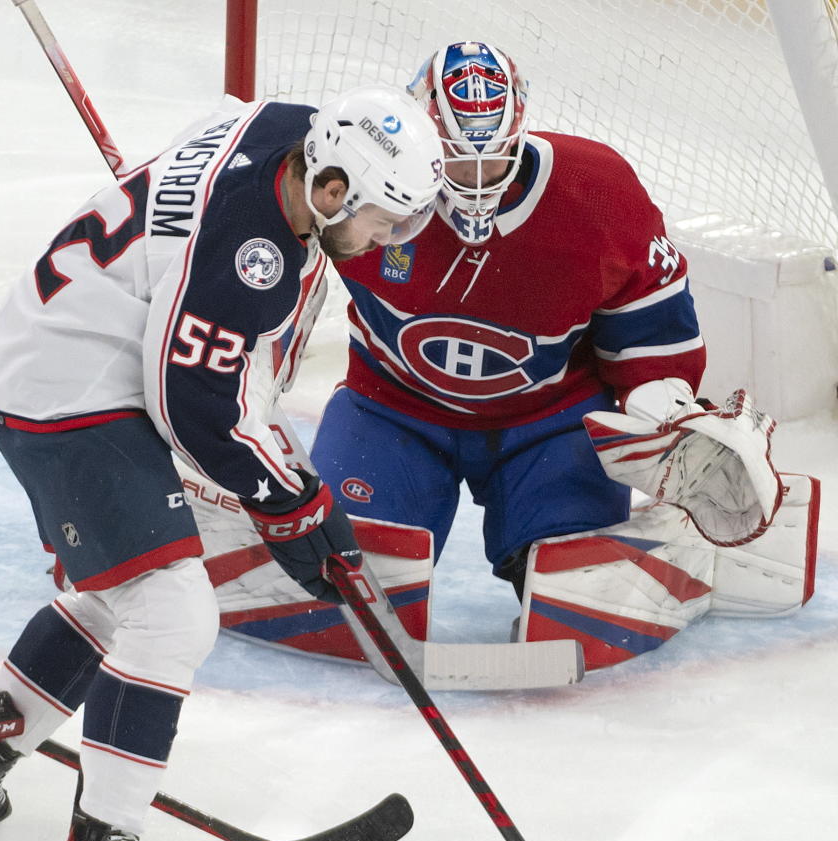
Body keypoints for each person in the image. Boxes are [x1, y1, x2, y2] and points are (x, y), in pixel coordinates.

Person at [0, 85, 443, 841]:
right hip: (67, 394)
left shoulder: (290, 131)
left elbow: (218, 127)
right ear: (331, 187)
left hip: (63, 349)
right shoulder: (250, 252)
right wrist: (296, 512)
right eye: (385, 221)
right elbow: (194, 405)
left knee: (123, 590)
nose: (389, 243)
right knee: (174, 609)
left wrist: (292, 492)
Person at [310, 41, 817, 669]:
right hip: (392, 408)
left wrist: (669, 412)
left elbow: (651, 333)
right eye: (452, 164)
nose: (471, 185)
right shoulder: (361, 173)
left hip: (548, 423)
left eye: (490, 164)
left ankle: (675, 549)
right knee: (347, 576)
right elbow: (277, 281)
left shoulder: (596, 191)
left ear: (520, 133)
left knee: (573, 592)